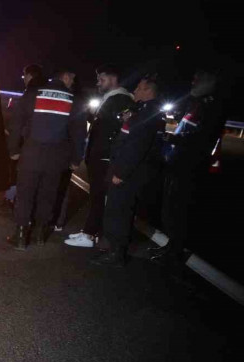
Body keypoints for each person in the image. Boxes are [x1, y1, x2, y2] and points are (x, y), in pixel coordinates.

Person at [149, 69, 227, 264]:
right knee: (169, 208)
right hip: (177, 162)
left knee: (177, 210)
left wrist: (175, 138)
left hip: (188, 166)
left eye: (197, 80)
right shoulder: (197, 104)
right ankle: (170, 246)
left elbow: (202, 140)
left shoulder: (211, 107)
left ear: (209, 83)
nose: (192, 82)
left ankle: (175, 252)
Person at [6, 68, 87, 250]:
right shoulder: (74, 100)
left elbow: (16, 123)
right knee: (48, 196)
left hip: (31, 153)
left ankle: (20, 235)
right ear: (65, 76)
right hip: (57, 157)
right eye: (72, 78)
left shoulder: (34, 94)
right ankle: (40, 234)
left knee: (25, 194)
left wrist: (14, 149)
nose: (73, 82)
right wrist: (76, 158)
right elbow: (79, 133)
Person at [90, 75, 165, 267]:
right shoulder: (144, 110)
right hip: (128, 169)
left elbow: (136, 146)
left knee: (118, 211)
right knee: (118, 210)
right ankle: (114, 249)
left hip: (127, 173)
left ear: (149, 91)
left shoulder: (148, 112)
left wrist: (120, 173)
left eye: (140, 88)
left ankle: (116, 254)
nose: (135, 91)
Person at [65, 64, 134, 248]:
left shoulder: (120, 99)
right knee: (96, 195)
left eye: (101, 79)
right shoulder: (110, 98)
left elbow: (116, 129)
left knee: (98, 195)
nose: (98, 83)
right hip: (99, 154)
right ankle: (91, 231)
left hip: (104, 156)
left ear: (113, 79)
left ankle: (90, 234)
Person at [0, 64, 46, 215]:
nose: (23, 78)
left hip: (26, 141)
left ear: (30, 75)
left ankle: (12, 203)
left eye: (24, 75)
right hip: (42, 142)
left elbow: (18, 122)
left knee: (18, 173)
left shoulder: (30, 93)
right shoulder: (45, 92)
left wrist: (14, 147)